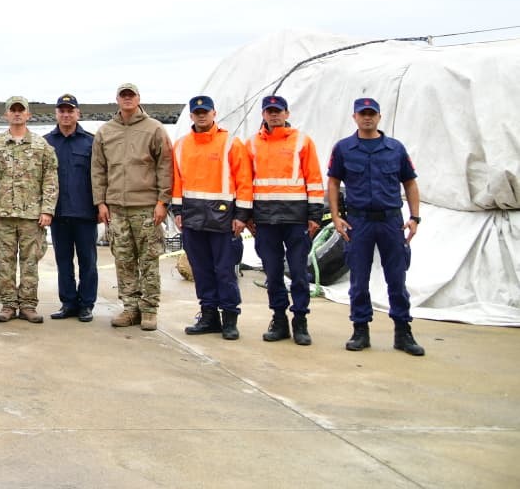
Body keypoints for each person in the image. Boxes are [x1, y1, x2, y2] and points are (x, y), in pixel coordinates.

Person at [326, 97, 425, 356]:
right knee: (358, 279)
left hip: (391, 221)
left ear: (379, 117)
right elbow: (334, 182)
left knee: (397, 278)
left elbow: (410, 183)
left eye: (372, 113)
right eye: (362, 113)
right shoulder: (344, 148)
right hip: (358, 221)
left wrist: (414, 218)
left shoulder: (395, 148)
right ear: (354, 117)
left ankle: (403, 332)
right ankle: (360, 330)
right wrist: (336, 217)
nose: (367, 117)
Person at [92, 83, 172, 331]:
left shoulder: (154, 129)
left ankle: (149, 310)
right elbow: (98, 170)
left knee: (148, 260)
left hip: (147, 207)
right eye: (123, 96)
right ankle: (130, 307)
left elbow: (165, 167)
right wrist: (101, 202)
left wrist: (163, 202)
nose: (127, 99)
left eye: (131, 95)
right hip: (116, 207)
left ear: (138, 98)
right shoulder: (106, 131)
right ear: (116, 99)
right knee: (124, 260)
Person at [170, 95, 251, 340]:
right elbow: (177, 182)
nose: (201, 115)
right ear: (192, 116)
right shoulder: (182, 145)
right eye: (197, 112)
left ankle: (229, 318)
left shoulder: (231, 143)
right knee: (202, 270)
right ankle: (208, 316)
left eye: (205, 111)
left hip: (224, 220)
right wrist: (177, 212)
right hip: (193, 218)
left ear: (214, 113)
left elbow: (244, 181)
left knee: (225, 270)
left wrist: (242, 216)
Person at [247, 94, 324, 346]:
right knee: (273, 272)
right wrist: (247, 216)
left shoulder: (303, 142)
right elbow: (246, 184)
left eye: (278, 110)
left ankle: (300, 320)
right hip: (265, 221)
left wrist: (314, 216)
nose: (274, 114)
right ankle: (279, 318)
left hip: (296, 220)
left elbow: (313, 180)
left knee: (300, 273)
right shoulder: (252, 145)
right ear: (263, 115)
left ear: (287, 114)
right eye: (269, 111)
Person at [0, 96, 58, 324]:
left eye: (21, 110)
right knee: (4, 262)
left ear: (28, 115)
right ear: (6, 114)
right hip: (4, 214)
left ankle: (27, 304)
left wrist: (47, 210)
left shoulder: (41, 145)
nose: (17, 114)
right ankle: (8, 304)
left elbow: (50, 179)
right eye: (12, 110)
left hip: (31, 216)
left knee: (30, 262)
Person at [45, 93, 98, 323]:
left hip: (85, 212)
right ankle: (68, 303)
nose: (66, 115)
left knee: (88, 261)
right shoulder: (46, 142)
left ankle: (86, 304)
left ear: (78, 113)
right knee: (63, 261)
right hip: (58, 213)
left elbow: (99, 176)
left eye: (70, 110)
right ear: (56, 113)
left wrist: (101, 206)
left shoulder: (91, 141)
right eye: (62, 111)